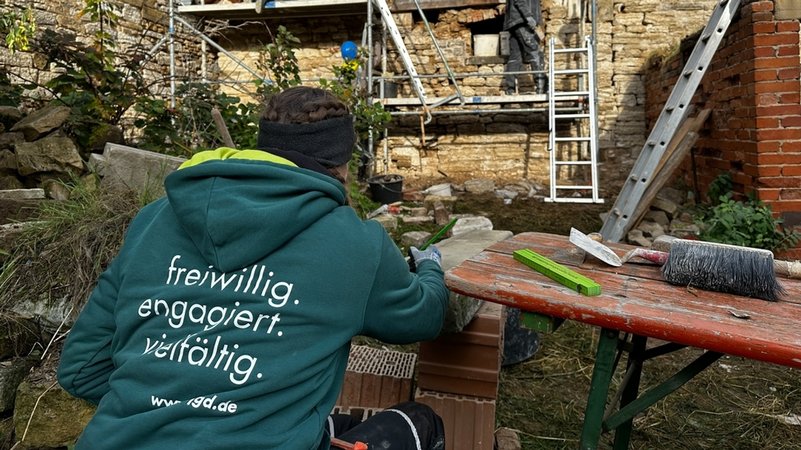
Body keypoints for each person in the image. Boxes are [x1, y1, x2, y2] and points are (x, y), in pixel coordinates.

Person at [57, 86, 449, 450]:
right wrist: (430, 267)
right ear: (342, 165)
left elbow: (80, 370)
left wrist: (166, 409)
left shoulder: (155, 219)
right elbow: (423, 317)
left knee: (332, 424)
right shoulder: (357, 243)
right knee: (420, 423)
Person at [503, 0, 547, 95]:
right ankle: (541, 88)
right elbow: (519, 1)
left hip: (515, 22)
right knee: (535, 52)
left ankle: (510, 89)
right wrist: (529, 17)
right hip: (523, 22)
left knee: (515, 57)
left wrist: (537, 23)